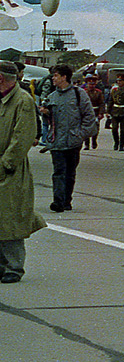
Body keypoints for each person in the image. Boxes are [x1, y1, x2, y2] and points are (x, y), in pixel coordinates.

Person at [0, 61, 45, 283]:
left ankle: (14, 267)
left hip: (10, 170)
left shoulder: (22, 101)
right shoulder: (3, 100)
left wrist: (5, 165)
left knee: (12, 218)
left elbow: (22, 138)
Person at [41, 64, 94, 213]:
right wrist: (45, 113)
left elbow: (89, 116)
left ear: (64, 77)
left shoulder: (79, 94)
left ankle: (66, 200)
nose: (53, 78)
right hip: (57, 141)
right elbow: (48, 121)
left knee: (70, 173)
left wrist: (81, 134)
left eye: (56, 75)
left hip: (73, 141)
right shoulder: (51, 97)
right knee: (59, 172)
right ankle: (57, 201)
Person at [107, 74, 124, 151]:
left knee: (123, 130)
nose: (119, 82)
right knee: (114, 129)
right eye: (118, 81)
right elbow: (110, 101)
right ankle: (116, 142)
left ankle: (122, 145)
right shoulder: (114, 90)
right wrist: (108, 111)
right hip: (115, 112)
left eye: (121, 81)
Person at [82, 74, 105, 151]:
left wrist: (101, 113)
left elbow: (101, 103)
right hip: (86, 113)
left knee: (95, 128)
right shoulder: (83, 92)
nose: (91, 86)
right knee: (86, 128)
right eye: (89, 84)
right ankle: (86, 144)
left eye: (93, 84)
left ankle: (94, 140)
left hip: (95, 112)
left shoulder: (98, 93)